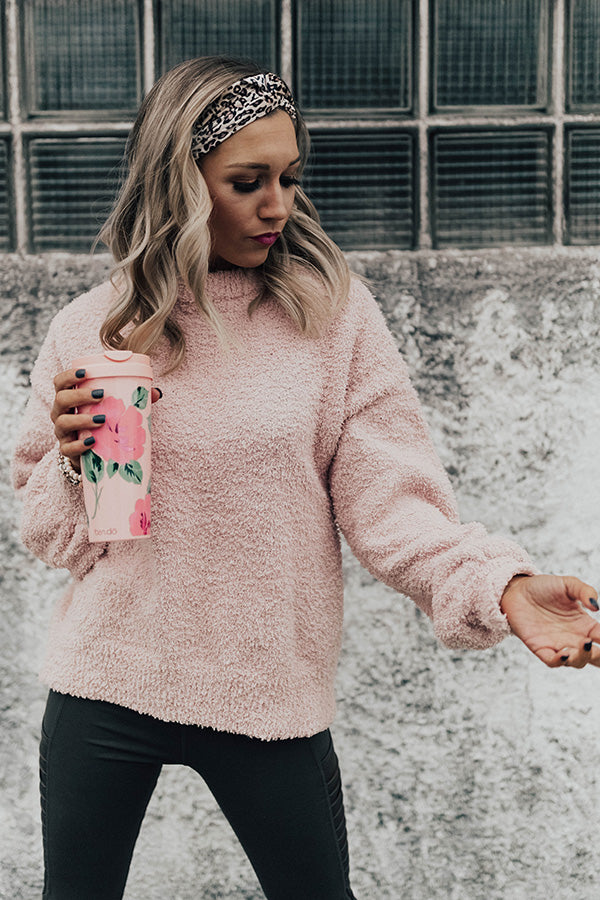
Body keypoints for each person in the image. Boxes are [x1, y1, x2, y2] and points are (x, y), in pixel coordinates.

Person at [12, 55, 600, 900]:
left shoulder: (330, 315)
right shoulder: (94, 328)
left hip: (266, 690)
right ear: (178, 185)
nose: (278, 206)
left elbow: (392, 504)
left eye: (288, 177)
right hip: (108, 679)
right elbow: (52, 538)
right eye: (247, 181)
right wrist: (74, 468)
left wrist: (500, 586)